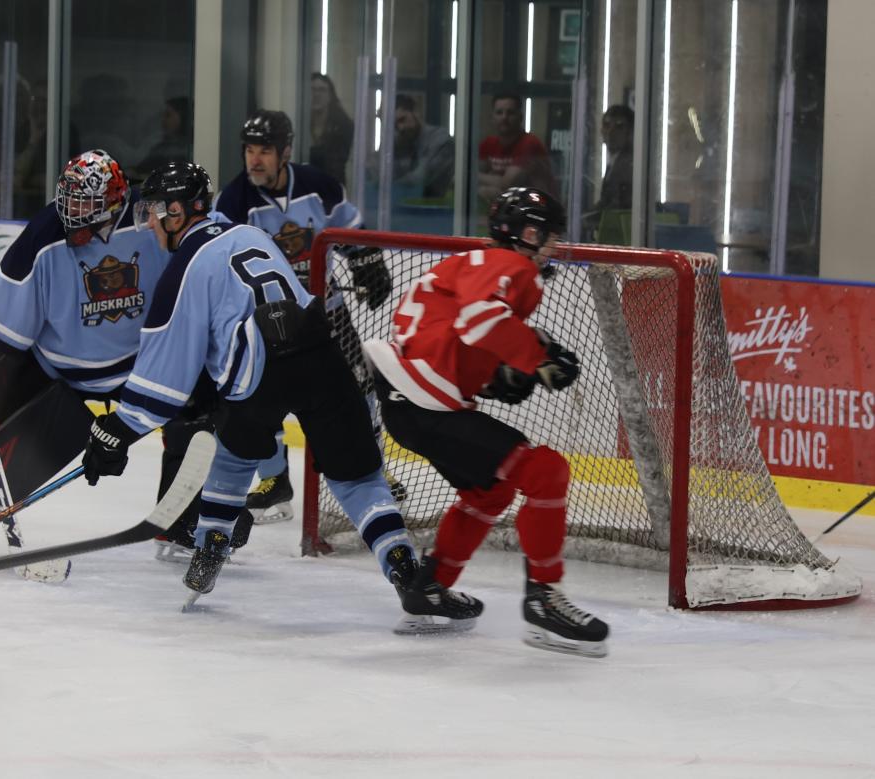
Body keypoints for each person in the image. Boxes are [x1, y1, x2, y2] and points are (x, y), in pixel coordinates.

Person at [81, 161, 470, 624]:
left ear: (178, 212)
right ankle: (406, 572)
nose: (148, 223)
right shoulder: (251, 234)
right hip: (320, 351)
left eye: (154, 211)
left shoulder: (184, 267)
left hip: (257, 370)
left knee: (233, 457)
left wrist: (118, 431)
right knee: (359, 479)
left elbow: (164, 378)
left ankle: (209, 551)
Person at [362, 187, 610, 655]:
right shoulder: (510, 265)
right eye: (550, 237)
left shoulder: (470, 263)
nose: (553, 247)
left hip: (409, 403)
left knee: (490, 491)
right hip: (424, 402)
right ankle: (544, 600)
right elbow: (480, 320)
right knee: (546, 471)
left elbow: (457, 334)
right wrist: (537, 358)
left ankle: (430, 587)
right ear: (528, 234)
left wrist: (496, 378)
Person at [0, 150, 205, 559]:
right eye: (69, 199)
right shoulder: (44, 233)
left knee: (194, 419)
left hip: (140, 366)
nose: (70, 212)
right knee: (7, 435)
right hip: (60, 371)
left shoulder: (152, 218)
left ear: (115, 202)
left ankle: (182, 526)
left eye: (84, 204)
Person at [214, 109, 401, 535]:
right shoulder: (233, 201)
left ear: (285, 152)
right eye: (249, 150)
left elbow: (350, 231)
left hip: (326, 312)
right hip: (266, 321)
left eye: (264, 150)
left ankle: (374, 470)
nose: (254, 159)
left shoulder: (319, 186)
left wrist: (367, 262)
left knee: (360, 389)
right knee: (255, 397)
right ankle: (274, 479)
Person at [476, 94, 557, 207]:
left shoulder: (529, 143)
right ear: (492, 118)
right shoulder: (488, 143)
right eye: (499, 112)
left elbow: (507, 184)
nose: (504, 117)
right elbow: (466, 179)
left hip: (539, 209)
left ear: (521, 117)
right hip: (512, 207)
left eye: (510, 113)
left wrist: (477, 179)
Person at [584, 104, 635, 241]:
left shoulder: (629, 165)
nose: (611, 131)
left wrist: (586, 219)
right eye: (607, 125)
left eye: (619, 126)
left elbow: (616, 207)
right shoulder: (615, 161)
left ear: (631, 132)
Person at [390, 94, 454, 199]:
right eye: (395, 125)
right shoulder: (401, 142)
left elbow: (421, 177)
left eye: (402, 119)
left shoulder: (440, 139)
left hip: (439, 205)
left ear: (416, 112)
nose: (400, 128)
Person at [309, 73, 355, 185]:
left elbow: (336, 164)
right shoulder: (300, 121)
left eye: (322, 90)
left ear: (330, 95)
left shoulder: (343, 126)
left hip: (332, 185)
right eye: (312, 90)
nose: (316, 94)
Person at [135, 96, 193, 178]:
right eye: (163, 115)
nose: (163, 120)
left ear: (183, 117)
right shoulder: (161, 147)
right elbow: (139, 170)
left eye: (168, 115)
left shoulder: (191, 149)